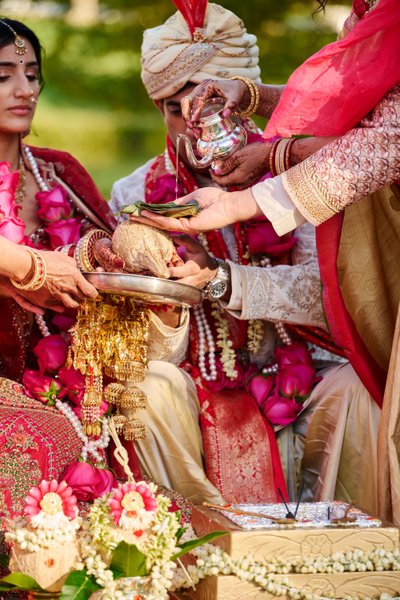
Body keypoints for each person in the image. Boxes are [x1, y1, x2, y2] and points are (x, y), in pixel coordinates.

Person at [130, 0, 400, 518]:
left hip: (305, 376)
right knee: (155, 387)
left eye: (216, 108)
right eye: (176, 108)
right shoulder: (137, 191)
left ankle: (359, 558)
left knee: (360, 392)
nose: (198, 128)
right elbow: (365, 121)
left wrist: (224, 273)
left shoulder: (305, 188)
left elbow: (381, 143)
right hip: (203, 381)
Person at [0, 17, 117, 521]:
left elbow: (106, 250)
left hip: (65, 379)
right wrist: (27, 266)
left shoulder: (60, 172)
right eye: (3, 75)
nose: (25, 89)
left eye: (32, 73)